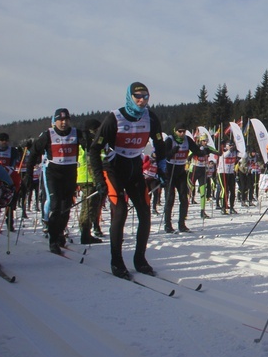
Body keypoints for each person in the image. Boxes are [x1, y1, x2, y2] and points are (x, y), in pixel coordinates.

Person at [89, 82, 167, 278]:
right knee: (120, 212)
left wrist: (163, 169)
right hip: (114, 169)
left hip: (134, 168)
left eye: (145, 97)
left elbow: (159, 144)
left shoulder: (150, 117)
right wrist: (99, 179)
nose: (142, 100)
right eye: (137, 96)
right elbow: (94, 150)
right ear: (129, 97)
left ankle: (140, 259)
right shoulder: (113, 118)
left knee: (145, 213)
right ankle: (116, 261)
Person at [25, 108, 80, 254]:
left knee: (66, 207)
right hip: (53, 174)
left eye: (66, 120)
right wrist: (28, 175)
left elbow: (91, 146)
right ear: (54, 121)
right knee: (55, 206)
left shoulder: (76, 133)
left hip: (69, 174)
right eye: (60, 120)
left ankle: (60, 232)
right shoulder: (48, 135)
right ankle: (53, 239)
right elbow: (33, 154)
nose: (63, 122)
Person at [163, 123, 210, 233]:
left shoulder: (187, 140)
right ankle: (168, 224)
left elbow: (196, 151)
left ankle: (182, 224)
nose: (182, 133)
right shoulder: (170, 140)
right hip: (170, 171)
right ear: (175, 131)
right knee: (170, 199)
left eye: (183, 131)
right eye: (180, 131)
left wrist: (204, 152)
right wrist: (172, 151)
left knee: (184, 198)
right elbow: (165, 155)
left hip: (181, 172)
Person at [77, 119, 103, 244]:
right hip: (89, 177)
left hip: (83, 176)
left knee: (87, 206)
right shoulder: (88, 141)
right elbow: (90, 161)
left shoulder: (83, 140)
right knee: (89, 206)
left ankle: (85, 231)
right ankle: (85, 233)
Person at [0, 132, 22, 231]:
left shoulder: (12, 151)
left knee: (10, 202)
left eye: (6, 140)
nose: (4, 142)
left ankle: (10, 224)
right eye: (2, 140)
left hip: (8, 178)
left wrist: (19, 153)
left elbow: (17, 160)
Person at [217, 141, 238, 215]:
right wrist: (229, 150)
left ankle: (232, 207)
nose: (232, 147)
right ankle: (223, 207)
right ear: (226, 146)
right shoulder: (223, 151)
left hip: (230, 172)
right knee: (224, 189)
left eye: (232, 145)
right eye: (230, 145)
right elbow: (224, 156)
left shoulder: (234, 152)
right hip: (222, 172)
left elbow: (243, 156)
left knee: (232, 190)